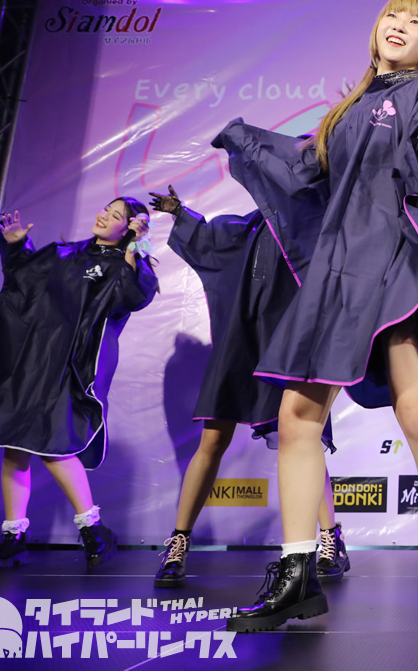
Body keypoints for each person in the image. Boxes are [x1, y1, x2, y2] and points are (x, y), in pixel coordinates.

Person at [212, 0, 418, 633]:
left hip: (395, 260)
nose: (400, 25)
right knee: (296, 417)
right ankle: (297, 572)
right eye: (393, 15)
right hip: (339, 270)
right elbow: (305, 172)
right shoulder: (351, 107)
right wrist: (248, 142)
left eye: (416, 22)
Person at [147, 185, 349, 589]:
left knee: (303, 437)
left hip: (288, 346)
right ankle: (179, 542)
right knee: (212, 441)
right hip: (238, 345)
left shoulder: (318, 223)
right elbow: (208, 242)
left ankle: (330, 539)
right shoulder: (246, 228)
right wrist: (180, 213)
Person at [0, 199, 157, 570]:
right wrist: (17, 245)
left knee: (54, 445)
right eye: (106, 209)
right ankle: (14, 537)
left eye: (116, 216)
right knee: (14, 444)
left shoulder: (121, 264)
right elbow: (23, 281)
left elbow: (134, 296)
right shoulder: (62, 253)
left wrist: (137, 247)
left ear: (128, 228)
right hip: (32, 359)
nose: (105, 216)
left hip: (71, 364)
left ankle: (93, 528)